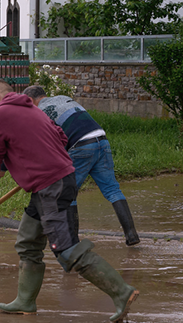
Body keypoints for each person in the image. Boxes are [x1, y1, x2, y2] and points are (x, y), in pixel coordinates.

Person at [0, 79, 138, 322]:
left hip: (51, 187)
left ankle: (121, 292)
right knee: (28, 242)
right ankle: (25, 301)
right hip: (54, 181)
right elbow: (61, 137)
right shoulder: (33, 109)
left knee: (66, 250)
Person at [23, 85, 139, 245]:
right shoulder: (62, 97)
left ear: (30, 100)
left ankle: (72, 244)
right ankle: (132, 235)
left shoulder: (38, 111)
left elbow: (50, 142)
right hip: (101, 139)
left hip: (81, 144)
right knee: (112, 189)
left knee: (68, 192)